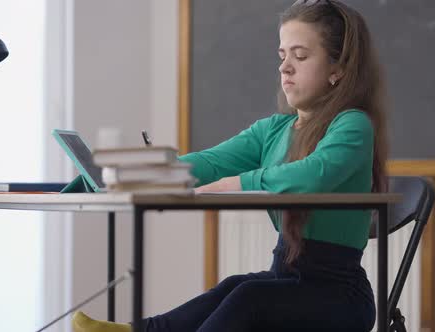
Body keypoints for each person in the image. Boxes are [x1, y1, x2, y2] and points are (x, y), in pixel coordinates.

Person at [73, 0, 388, 331]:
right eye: (282, 56)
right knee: (234, 287)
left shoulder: (354, 125)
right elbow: (209, 162)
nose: (285, 67)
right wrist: (130, 174)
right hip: (288, 282)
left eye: (301, 55)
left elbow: (312, 175)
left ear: (338, 69)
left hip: (338, 296)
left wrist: (234, 183)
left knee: (248, 296)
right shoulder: (274, 130)